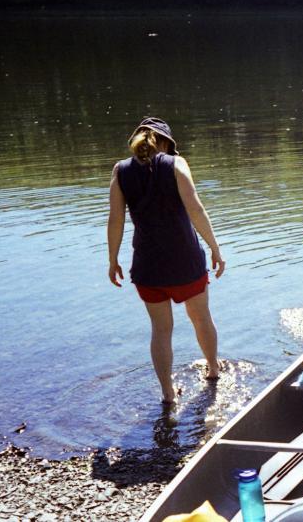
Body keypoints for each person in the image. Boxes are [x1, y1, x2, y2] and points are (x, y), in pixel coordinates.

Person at [107, 117, 226, 405]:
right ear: (165, 143)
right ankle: (212, 370)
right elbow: (195, 209)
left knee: (160, 331)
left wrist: (112, 260)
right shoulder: (176, 164)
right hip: (186, 263)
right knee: (201, 318)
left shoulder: (120, 171)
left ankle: (168, 394)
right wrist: (215, 248)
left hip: (147, 268)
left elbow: (115, 220)